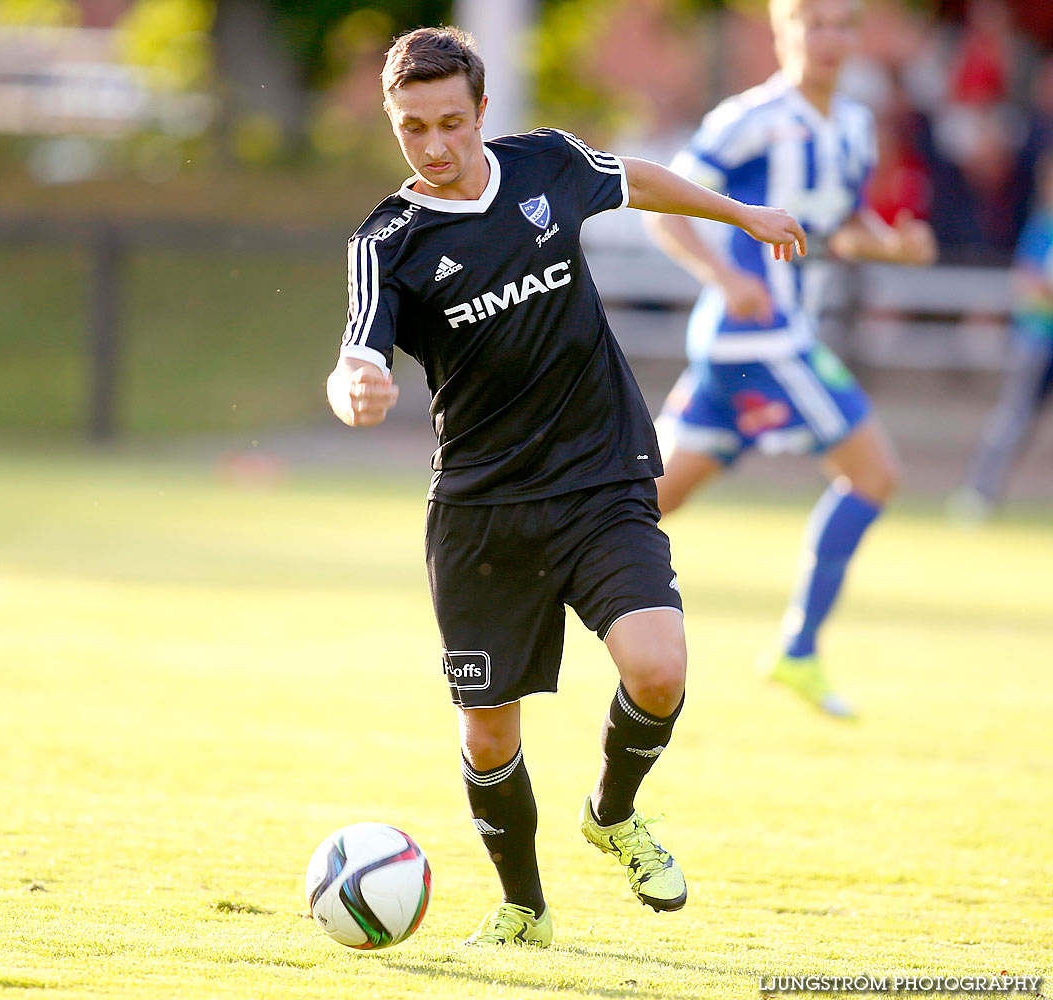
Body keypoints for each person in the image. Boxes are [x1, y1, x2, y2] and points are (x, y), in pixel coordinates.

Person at [325, 26, 806, 948]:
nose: (434, 147)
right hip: (481, 511)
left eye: (451, 123)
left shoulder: (545, 166)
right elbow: (358, 348)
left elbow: (637, 178)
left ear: (481, 113)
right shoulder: (387, 241)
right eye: (413, 128)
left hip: (601, 477)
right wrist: (355, 386)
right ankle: (525, 908)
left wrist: (743, 216)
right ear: (394, 124)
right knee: (488, 741)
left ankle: (615, 812)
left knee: (658, 668)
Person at [644, 0, 937, 719]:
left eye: (843, 24)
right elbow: (660, 204)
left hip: (754, 344)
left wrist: (894, 244)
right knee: (875, 473)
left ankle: (537, 569)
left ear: (858, 34)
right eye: (814, 23)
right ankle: (799, 649)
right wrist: (726, 276)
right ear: (782, 32)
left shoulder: (856, 125)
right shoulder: (750, 117)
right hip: (762, 338)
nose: (829, 39)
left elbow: (840, 228)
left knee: (647, 501)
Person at [949, 148, 1053, 521]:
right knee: (1012, 420)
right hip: (1038, 340)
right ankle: (979, 494)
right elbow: (1027, 285)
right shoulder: (1043, 227)